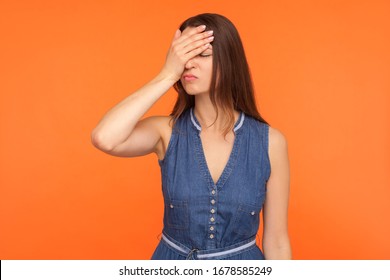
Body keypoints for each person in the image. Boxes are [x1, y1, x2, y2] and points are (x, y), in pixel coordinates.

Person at [91, 13, 291, 260]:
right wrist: (167, 74)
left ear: (229, 61)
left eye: (202, 54)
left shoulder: (271, 142)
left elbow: (278, 241)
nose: (188, 64)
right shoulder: (166, 132)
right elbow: (105, 137)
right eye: (183, 56)